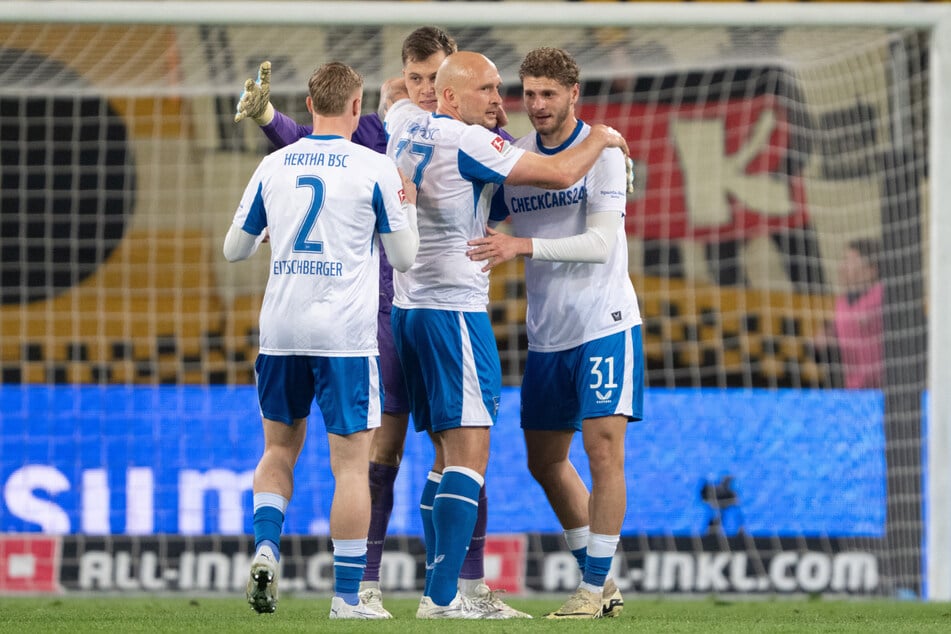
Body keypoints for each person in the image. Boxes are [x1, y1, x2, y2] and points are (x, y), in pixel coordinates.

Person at [233, 26, 526, 619]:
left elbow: (306, 145)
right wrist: (269, 118)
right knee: (386, 450)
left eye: (433, 79)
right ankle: (363, 584)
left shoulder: (481, 135)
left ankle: (464, 585)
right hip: (376, 316)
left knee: (456, 445)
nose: (423, 89)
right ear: (400, 81)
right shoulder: (383, 132)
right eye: (413, 78)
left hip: (393, 311)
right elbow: (313, 137)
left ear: (451, 85)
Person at [383, 49, 630, 619]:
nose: (505, 102)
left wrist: (420, 83)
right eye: (490, 90)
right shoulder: (480, 145)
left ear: (572, 92)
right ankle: (443, 597)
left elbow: (394, 94)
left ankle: (593, 585)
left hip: (416, 308)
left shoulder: (404, 124)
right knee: (470, 456)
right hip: (455, 311)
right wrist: (607, 137)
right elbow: (566, 171)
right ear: (448, 97)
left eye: (503, 90)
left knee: (449, 457)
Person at [223, 61, 419, 619]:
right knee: (351, 467)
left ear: (309, 105)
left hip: (281, 330)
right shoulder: (375, 167)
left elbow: (235, 250)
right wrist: (400, 208)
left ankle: (266, 546)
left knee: (278, 450)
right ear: (358, 109)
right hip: (345, 335)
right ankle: (348, 598)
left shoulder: (274, 165)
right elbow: (404, 259)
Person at [464, 47, 643, 619]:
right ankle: (605, 581)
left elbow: (600, 245)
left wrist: (521, 245)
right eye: (529, 94)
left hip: (604, 322)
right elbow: (476, 215)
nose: (537, 105)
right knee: (545, 460)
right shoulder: (514, 157)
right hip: (546, 332)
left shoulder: (603, 153)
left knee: (604, 451)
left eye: (549, 94)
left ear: (573, 95)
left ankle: (592, 589)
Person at [814, 238, 884, 389]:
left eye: (849, 261)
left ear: (871, 269)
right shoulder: (841, 302)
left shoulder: (882, 294)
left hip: (880, 388)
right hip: (850, 389)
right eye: (843, 261)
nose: (842, 267)